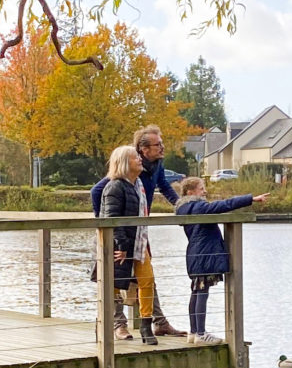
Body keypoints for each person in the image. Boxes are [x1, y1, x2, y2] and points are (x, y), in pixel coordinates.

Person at [90, 124, 184, 336]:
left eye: (162, 143)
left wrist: (182, 205)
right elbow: (96, 192)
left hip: (139, 230)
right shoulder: (127, 168)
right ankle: (118, 323)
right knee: (114, 276)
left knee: (146, 276)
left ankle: (159, 322)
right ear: (143, 149)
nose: (162, 148)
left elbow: (164, 187)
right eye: (157, 144)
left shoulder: (157, 165)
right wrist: (103, 222)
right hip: (118, 232)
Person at [175, 176, 269, 343]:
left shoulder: (184, 208)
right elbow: (224, 205)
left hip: (195, 253)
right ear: (190, 192)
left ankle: (193, 332)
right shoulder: (199, 207)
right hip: (205, 253)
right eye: (201, 188)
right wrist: (250, 199)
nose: (205, 191)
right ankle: (201, 334)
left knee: (196, 290)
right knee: (202, 291)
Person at [98, 145, 157, 344]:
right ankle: (113, 325)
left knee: (147, 280)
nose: (140, 159)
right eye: (135, 158)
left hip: (138, 243)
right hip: (118, 246)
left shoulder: (138, 184)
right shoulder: (115, 186)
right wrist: (121, 246)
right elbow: (112, 218)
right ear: (124, 163)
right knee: (114, 285)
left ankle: (146, 325)